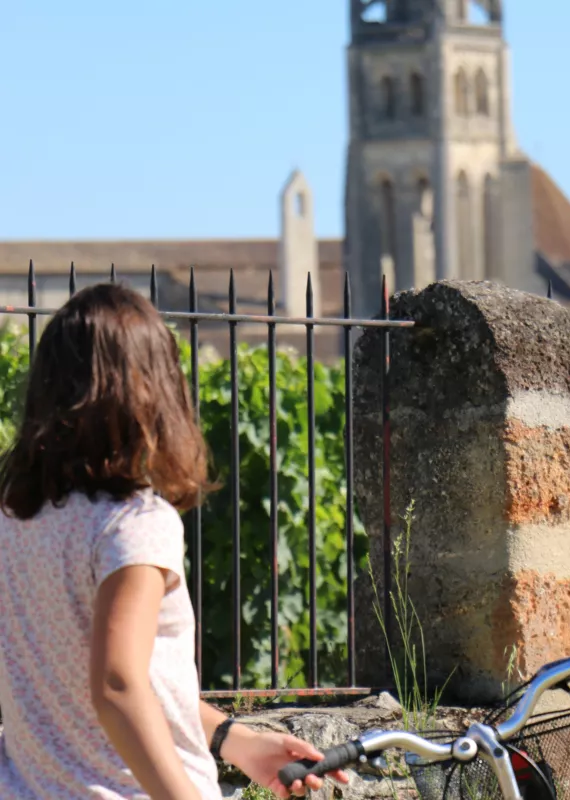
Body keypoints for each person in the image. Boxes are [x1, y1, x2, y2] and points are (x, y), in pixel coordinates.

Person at [0, 284, 348, 799]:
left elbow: (106, 681)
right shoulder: (134, 523)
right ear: (151, 388)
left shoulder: (15, 519)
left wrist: (234, 739)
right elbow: (117, 687)